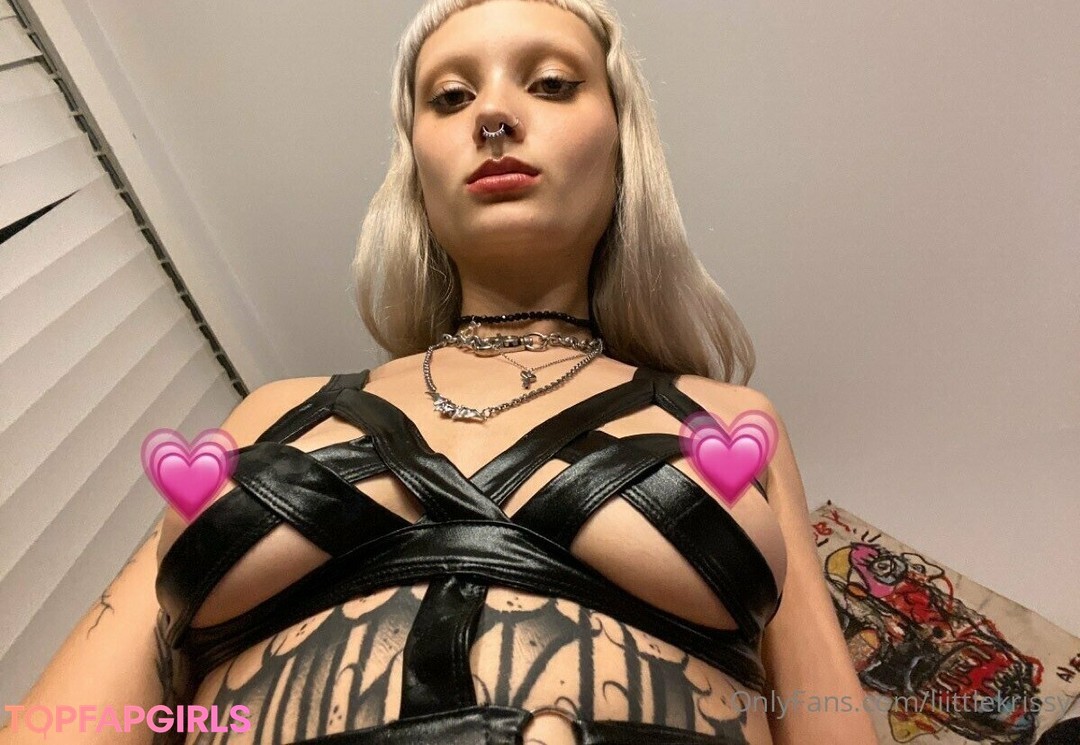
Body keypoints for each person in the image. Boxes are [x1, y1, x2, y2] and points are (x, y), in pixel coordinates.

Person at [2, 1, 879, 743]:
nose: (491, 115)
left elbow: (826, 718)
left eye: (551, 82)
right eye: (450, 97)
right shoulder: (272, 411)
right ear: (415, 167)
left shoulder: (731, 421)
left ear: (622, 145)